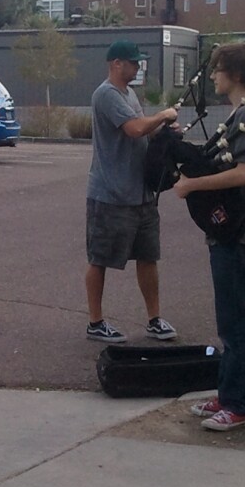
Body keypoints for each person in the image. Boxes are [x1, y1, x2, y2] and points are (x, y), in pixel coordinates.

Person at [174, 42, 245, 432]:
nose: (213, 76)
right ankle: (228, 390)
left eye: (218, 70)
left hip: (240, 231)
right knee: (228, 317)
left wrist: (193, 185)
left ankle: (239, 405)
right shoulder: (241, 113)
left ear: (234, 74)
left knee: (236, 321)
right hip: (227, 230)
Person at [85, 40, 180, 343]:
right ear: (116, 64)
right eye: (134, 63)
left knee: (148, 256)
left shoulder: (129, 94)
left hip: (142, 193)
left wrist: (165, 130)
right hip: (111, 194)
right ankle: (95, 323)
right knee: (100, 258)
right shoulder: (106, 95)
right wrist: (163, 116)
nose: (138, 68)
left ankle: (154, 319)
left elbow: (145, 129)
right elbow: (134, 129)